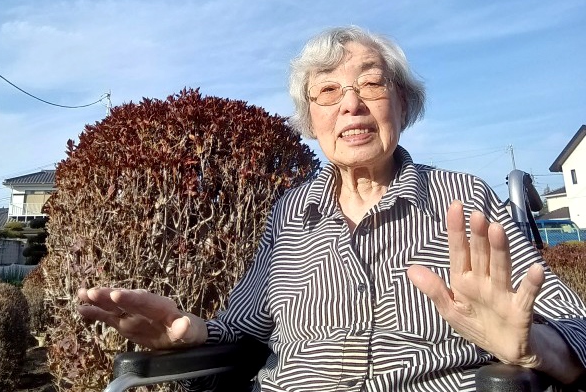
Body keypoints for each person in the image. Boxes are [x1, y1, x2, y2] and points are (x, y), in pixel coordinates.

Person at [78, 26, 586, 391]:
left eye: (371, 84)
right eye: (327, 91)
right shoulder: (289, 213)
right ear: (310, 120)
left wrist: (531, 347)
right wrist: (188, 332)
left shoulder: (465, 200)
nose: (351, 104)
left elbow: (574, 326)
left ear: (403, 104)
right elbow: (241, 327)